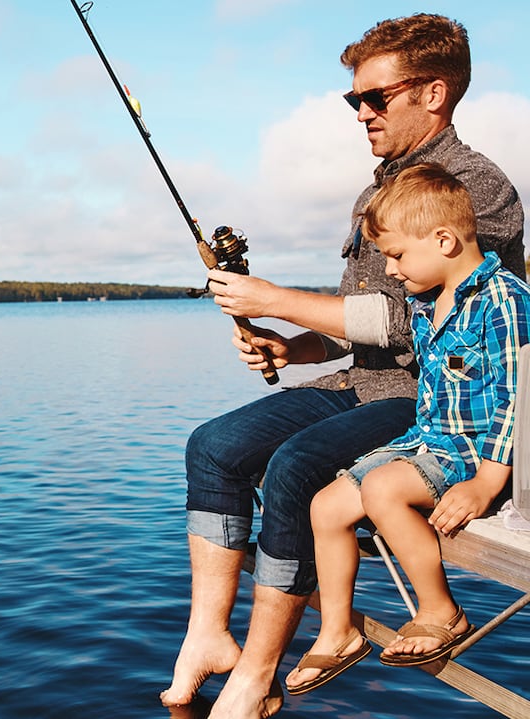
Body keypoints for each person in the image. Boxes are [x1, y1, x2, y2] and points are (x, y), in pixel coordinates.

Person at [160, 14, 525, 719]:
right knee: (212, 446)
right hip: (359, 383)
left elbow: (411, 327)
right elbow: (362, 318)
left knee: (296, 465)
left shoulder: (479, 189)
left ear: (434, 94)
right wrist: (293, 346)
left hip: (427, 398)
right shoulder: (378, 190)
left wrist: (277, 299)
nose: (360, 112)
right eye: (352, 100)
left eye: (375, 98)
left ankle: (256, 674)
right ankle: (207, 636)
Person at [282, 163, 530, 695]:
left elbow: (518, 399)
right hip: (428, 440)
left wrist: (488, 481)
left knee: (382, 487)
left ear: (443, 240)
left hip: (481, 455)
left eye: (395, 255)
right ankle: (338, 632)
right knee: (325, 506)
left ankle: (441, 609)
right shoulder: (424, 303)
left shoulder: (505, 301)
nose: (390, 270)